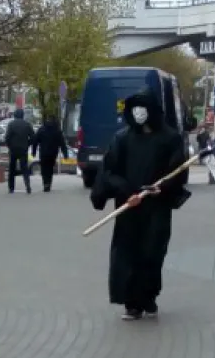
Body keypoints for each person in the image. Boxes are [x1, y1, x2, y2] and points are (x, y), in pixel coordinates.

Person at [90, 90, 190, 321]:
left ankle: (148, 297)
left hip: (157, 207)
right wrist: (127, 192)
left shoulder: (170, 138)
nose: (138, 112)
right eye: (134, 108)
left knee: (152, 253)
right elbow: (110, 171)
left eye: (143, 107)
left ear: (153, 111)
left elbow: (177, 171)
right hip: (129, 207)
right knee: (126, 254)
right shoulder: (122, 138)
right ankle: (131, 304)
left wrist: (162, 188)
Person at [30, 115, 69, 193]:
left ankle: (45, 184)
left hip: (43, 153)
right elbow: (62, 143)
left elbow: (35, 142)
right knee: (50, 169)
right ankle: (49, 183)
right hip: (53, 153)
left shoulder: (41, 130)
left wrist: (33, 152)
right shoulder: (57, 131)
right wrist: (65, 154)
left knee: (44, 169)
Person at [3, 109, 35, 194]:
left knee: (12, 169)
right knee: (24, 168)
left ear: (15, 115)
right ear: (22, 115)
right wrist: (27, 144)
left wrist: (10, 146)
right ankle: (27, 186)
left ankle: (11, 188)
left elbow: (7, 138)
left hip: (13, 149)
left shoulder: (11, 124)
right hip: (23, 149)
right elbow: (33, 137)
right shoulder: (27, 125)